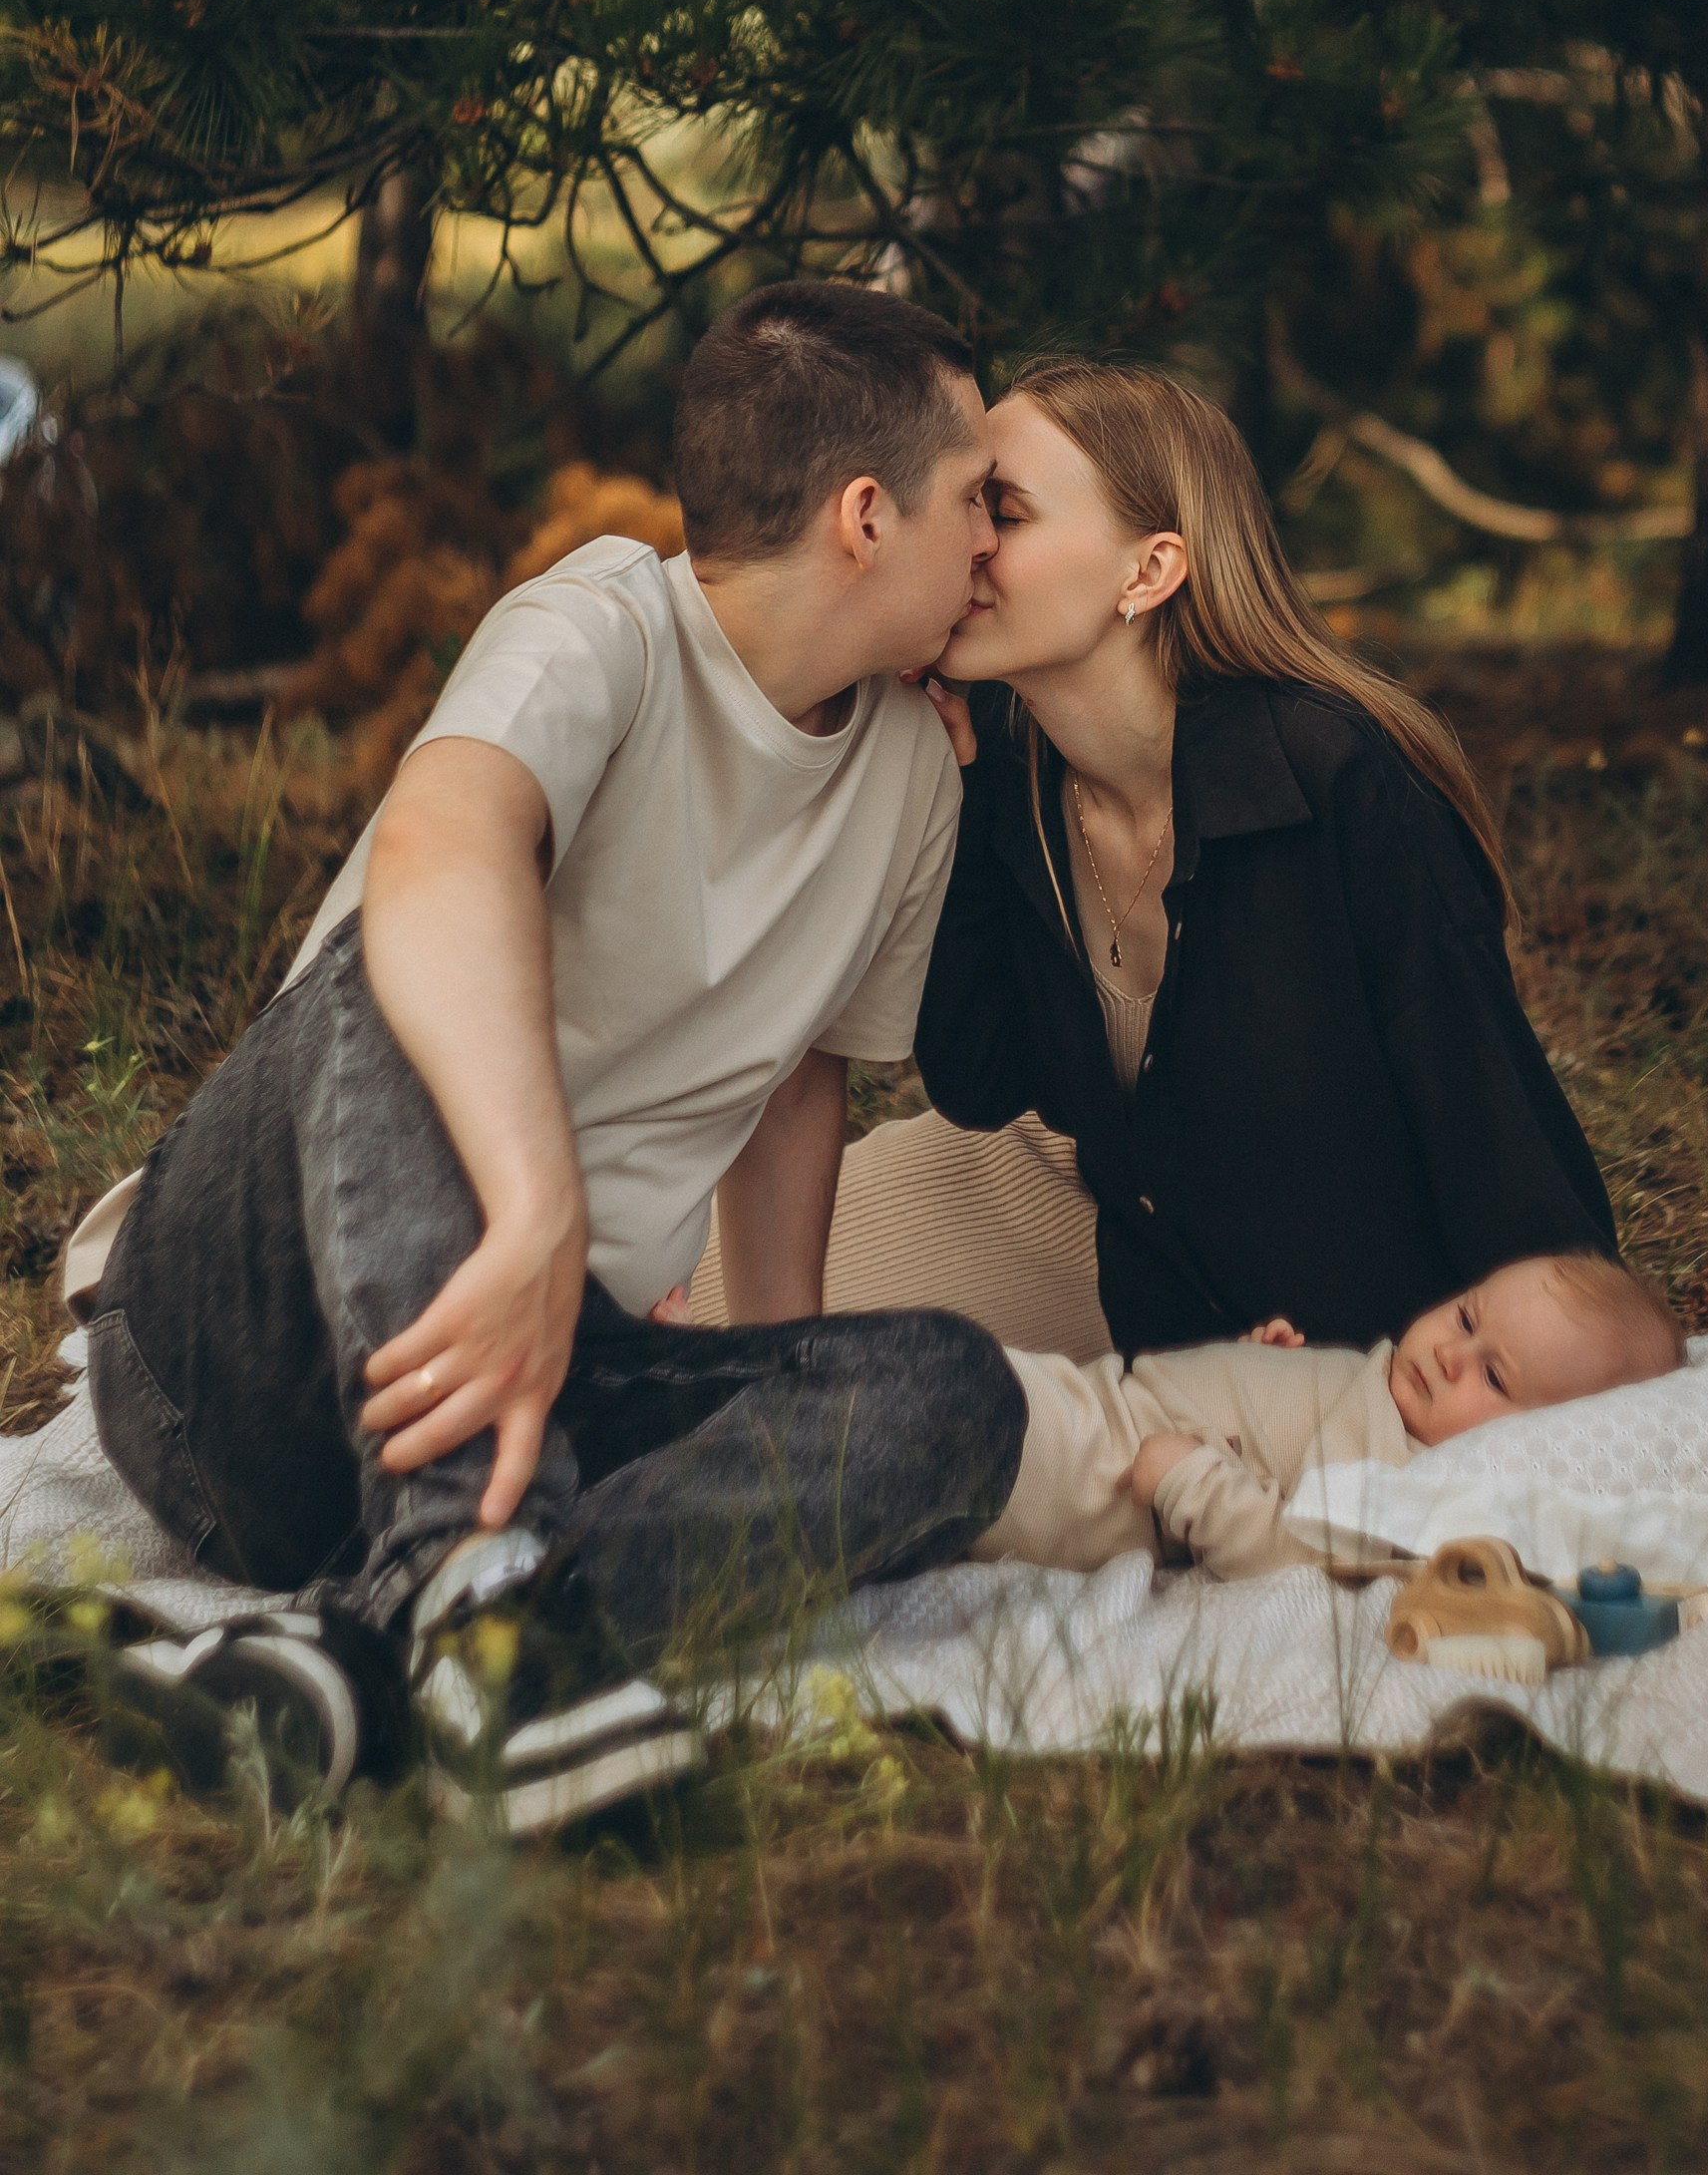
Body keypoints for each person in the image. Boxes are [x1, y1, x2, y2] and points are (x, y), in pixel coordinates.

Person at [62, 278, 1030, 1830]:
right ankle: (464, 1570)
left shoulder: (916, 770)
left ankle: (391, 1647)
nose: (995, 537)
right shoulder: (601, 625)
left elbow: (796, 1082)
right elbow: (446, 847)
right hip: (244, 1351)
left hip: (546, 1374)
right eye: (979, 498)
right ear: (867, 513)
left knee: (956, 1394)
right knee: (412, 952)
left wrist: (770, 1383)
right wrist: (535, 1212)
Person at [817, 358, 1619, 1365]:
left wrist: (1518, 1403)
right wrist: (955, 799)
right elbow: (980, 1080)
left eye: (1006, 512)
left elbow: (1496, 1139)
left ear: (1148, 572)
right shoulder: (1007, 768)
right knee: (684, 1297)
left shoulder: (1338, 784)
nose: (966, 541)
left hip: (1342, 1337)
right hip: (1113, 1235)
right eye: (967, 506)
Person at [981, 1249, 1685, 1582]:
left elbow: (1294, 1556)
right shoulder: (1383, 1386)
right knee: (949, 1373)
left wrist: (1188, 1481)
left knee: (948, 1412)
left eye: (1494, 1376)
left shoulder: (1405, 1481)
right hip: (1095, 1396)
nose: (1450, 1354)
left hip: (1101, 1473)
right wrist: (1264, 1367)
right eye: (1466, 1316)